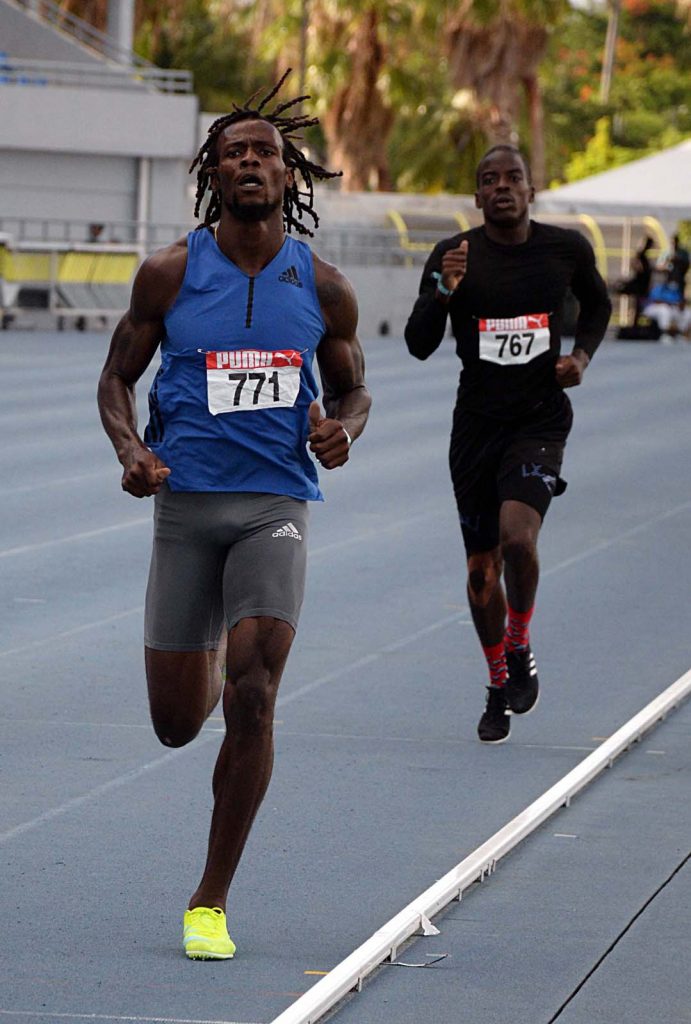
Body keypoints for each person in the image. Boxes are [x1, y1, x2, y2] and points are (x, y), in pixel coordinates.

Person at [97, 72, 371, 959]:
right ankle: (210, 646)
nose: (250, 162)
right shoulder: (170, 273)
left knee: (255, 696)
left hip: (273, 506)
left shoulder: (322, 286)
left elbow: (353, 389)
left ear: (289, 174)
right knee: (178, 725)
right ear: (213, 173)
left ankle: (209, 900)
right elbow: (116, 379)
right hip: (186, 509)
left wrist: (342, 429)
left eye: (264, 152)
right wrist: (131, 451)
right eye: (233, 152)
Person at [404, 145, 611, 745]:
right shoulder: (453, 255)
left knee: (518, 538)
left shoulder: (565, 249)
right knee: (480, 573)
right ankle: (498, 682)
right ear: (476, 196)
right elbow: (419, 343)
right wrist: (444, 291)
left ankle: (519, 642)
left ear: (530, 190)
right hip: (476, 428)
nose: (502, 186)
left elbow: (598, 303)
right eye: (490, 179)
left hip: (538, 421)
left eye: (513, 177)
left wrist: (581, 356)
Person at [616, 234, 654, 327]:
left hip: (642, 284)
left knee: (638, 305)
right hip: (640, 283)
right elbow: (636, 266)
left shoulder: (643, 256)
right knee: (637, 304)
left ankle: (634, 324)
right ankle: (633, 324)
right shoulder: (640, 255)